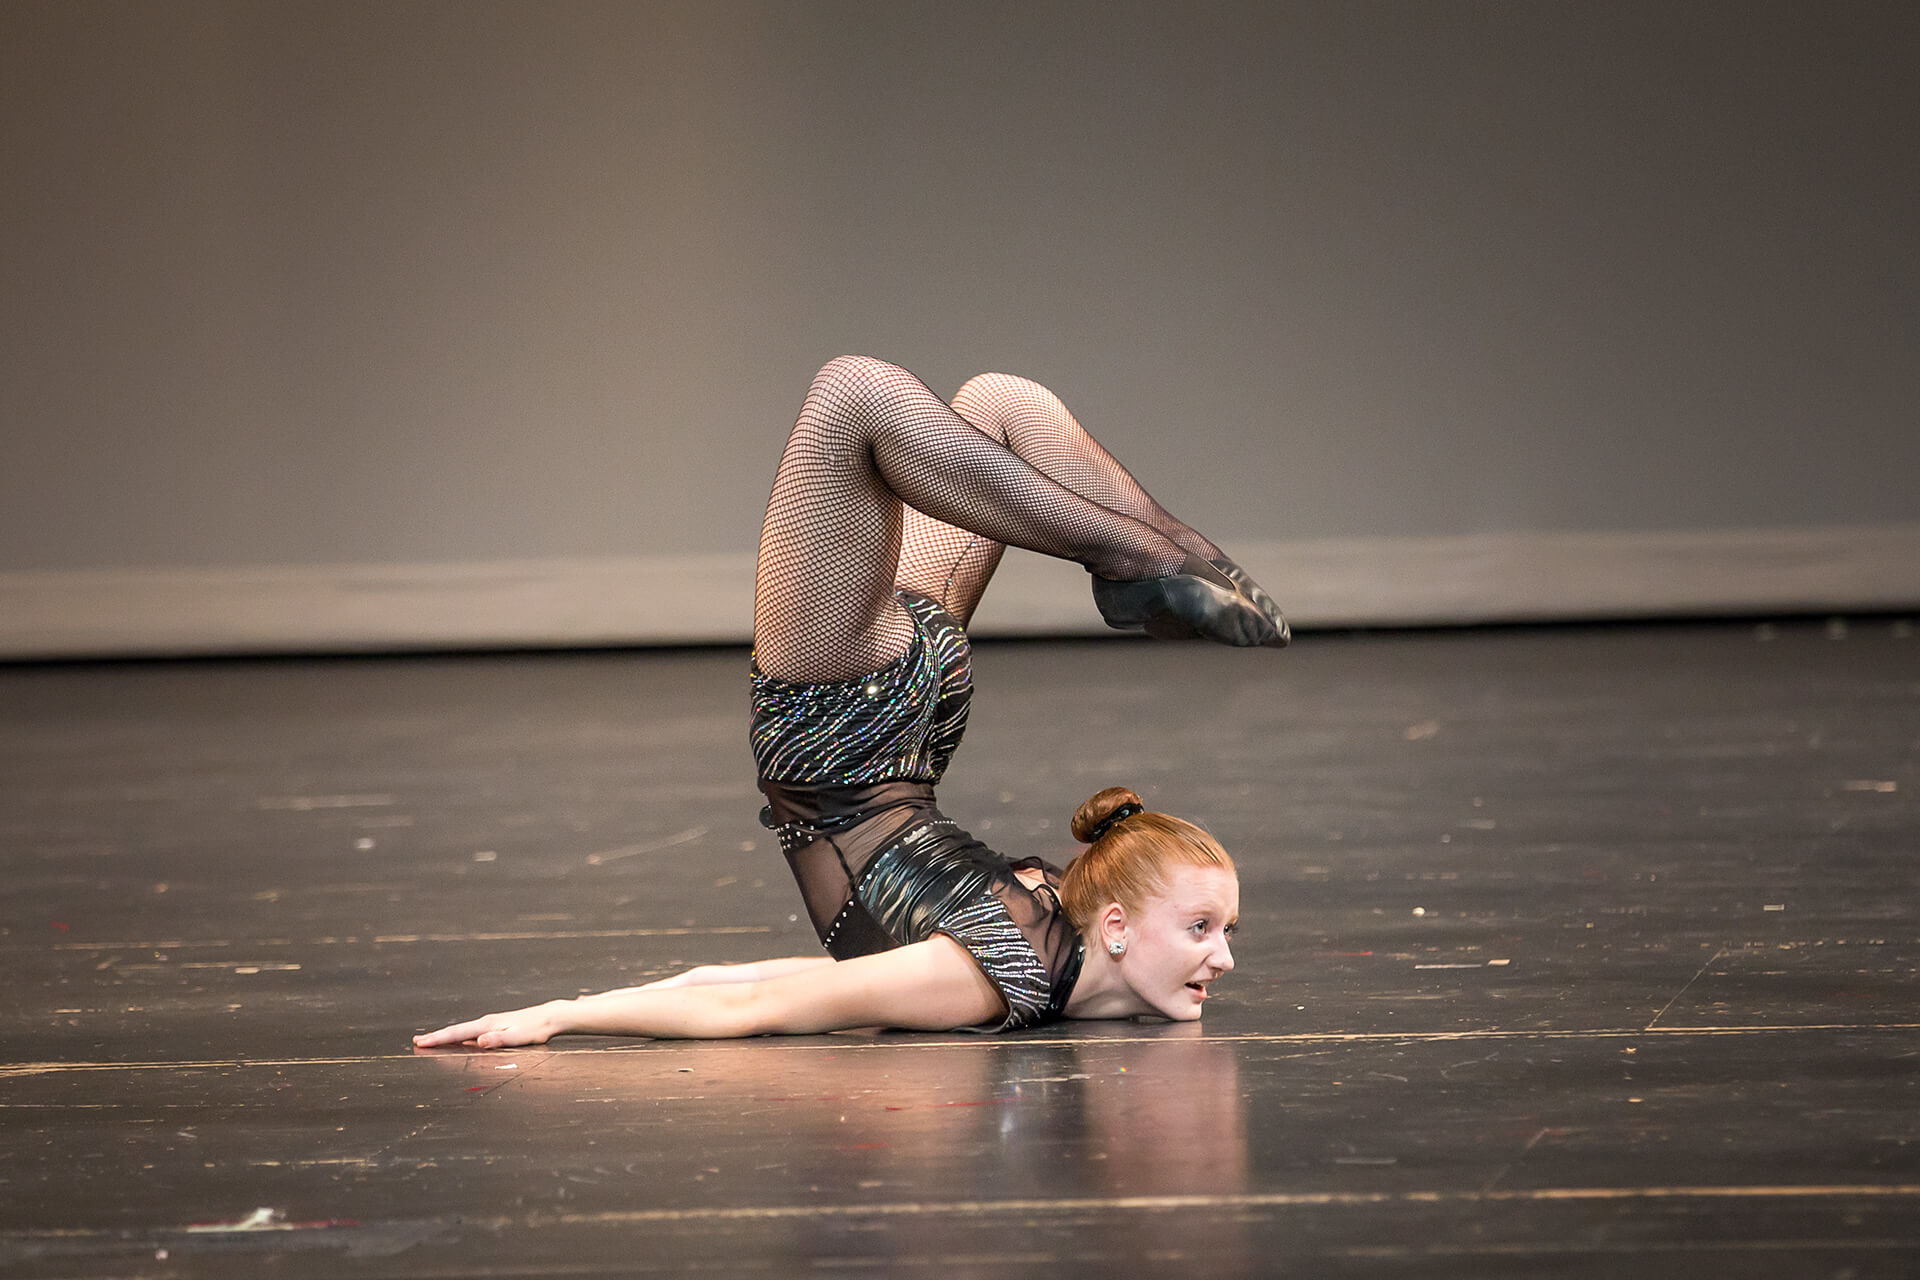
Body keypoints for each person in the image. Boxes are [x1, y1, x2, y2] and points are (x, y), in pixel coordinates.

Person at [415, 356, 1285, 1049]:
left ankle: (1162, 553)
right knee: (925, 398)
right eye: (1206, 926)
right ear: (1120, 925)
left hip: (893, 726)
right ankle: (1146, 561)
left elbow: (760, 993)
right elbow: (762, 1002)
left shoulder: (1031, 943)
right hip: (848, 733)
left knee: (918, 397)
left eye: (1220, 929)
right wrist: (564, 1013)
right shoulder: (1003, 972)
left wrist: (564, 1013)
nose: (1226, 956)